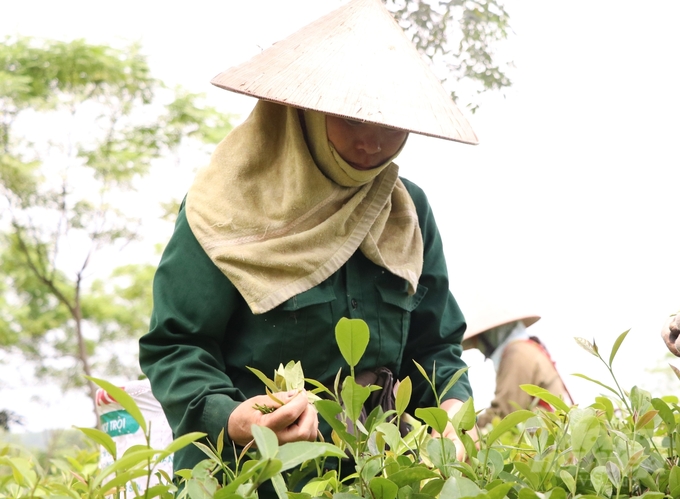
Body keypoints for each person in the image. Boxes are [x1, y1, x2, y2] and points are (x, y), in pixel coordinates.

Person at [138, 0, 479, 488]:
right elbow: (177, 346)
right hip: (252, 479)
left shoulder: (406, 212)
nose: (373, 143)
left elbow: (436, 346)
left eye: (390, 125)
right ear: (305, 114)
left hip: (379, 478)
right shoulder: (227, 209)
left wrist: (450, 409)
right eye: (353, 119)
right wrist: (234, 419)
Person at [461, 300, 573, 427]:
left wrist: (468, 427)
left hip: (548, 436)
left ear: (491, 335)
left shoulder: (516, 354)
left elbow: (505, 414)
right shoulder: (525, 347)